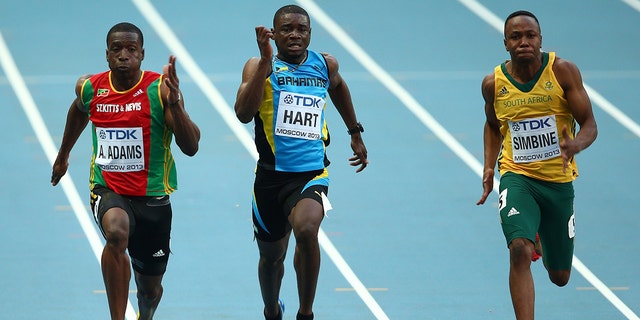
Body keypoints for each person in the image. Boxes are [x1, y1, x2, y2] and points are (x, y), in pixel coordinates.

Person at [51, 22, 200, 320]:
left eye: (131, 49)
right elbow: (79, 110)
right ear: (106, 54)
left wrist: (176, 105)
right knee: (116, 233)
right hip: (108, 189)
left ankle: (145, 314)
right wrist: (63, 155)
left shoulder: (161, 90)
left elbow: (191, 146)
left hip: (153, 197)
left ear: (142, 54)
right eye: (116, 49)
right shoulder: (91, 87)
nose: (123, 55)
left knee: (150, 289)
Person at [234, 5, 368, 320]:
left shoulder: (325, 63)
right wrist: (266, 63)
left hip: (311, 175)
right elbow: (242, 113)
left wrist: (354, 131)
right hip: (270, 179)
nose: (295, 35)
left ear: (309, 33)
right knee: (271, 258)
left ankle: (305, 313)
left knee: (307, 229)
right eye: (287, 29)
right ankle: (271, 308)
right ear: (273, 33)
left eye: (302, 29)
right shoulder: (258, 66)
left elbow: (338, 87)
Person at [476, 10, 597, 320]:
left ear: (541, 40)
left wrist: (576, 145)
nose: (524, 42)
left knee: (560, 277)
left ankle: (541, 240)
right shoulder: (494, 83)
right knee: (518, 249)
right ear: (505, 43)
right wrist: (490, 167)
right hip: (518, 177)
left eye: (530, 35)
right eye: (516, 37)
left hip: (558, 182)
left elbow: (589, 124)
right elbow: (492, 125)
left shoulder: (563, 72)